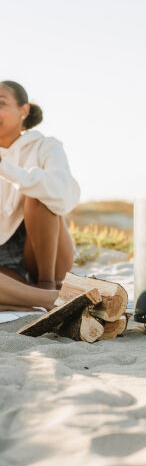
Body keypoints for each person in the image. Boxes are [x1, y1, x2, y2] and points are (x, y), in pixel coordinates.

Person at [0, 80, 80, 309]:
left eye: (1, 103)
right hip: (4, 266)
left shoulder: (46, 146)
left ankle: (47, 287)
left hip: (48, 257)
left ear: (23, 110)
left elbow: (64, 195)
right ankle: (37, 300)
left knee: (39, 192)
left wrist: (5, 168)